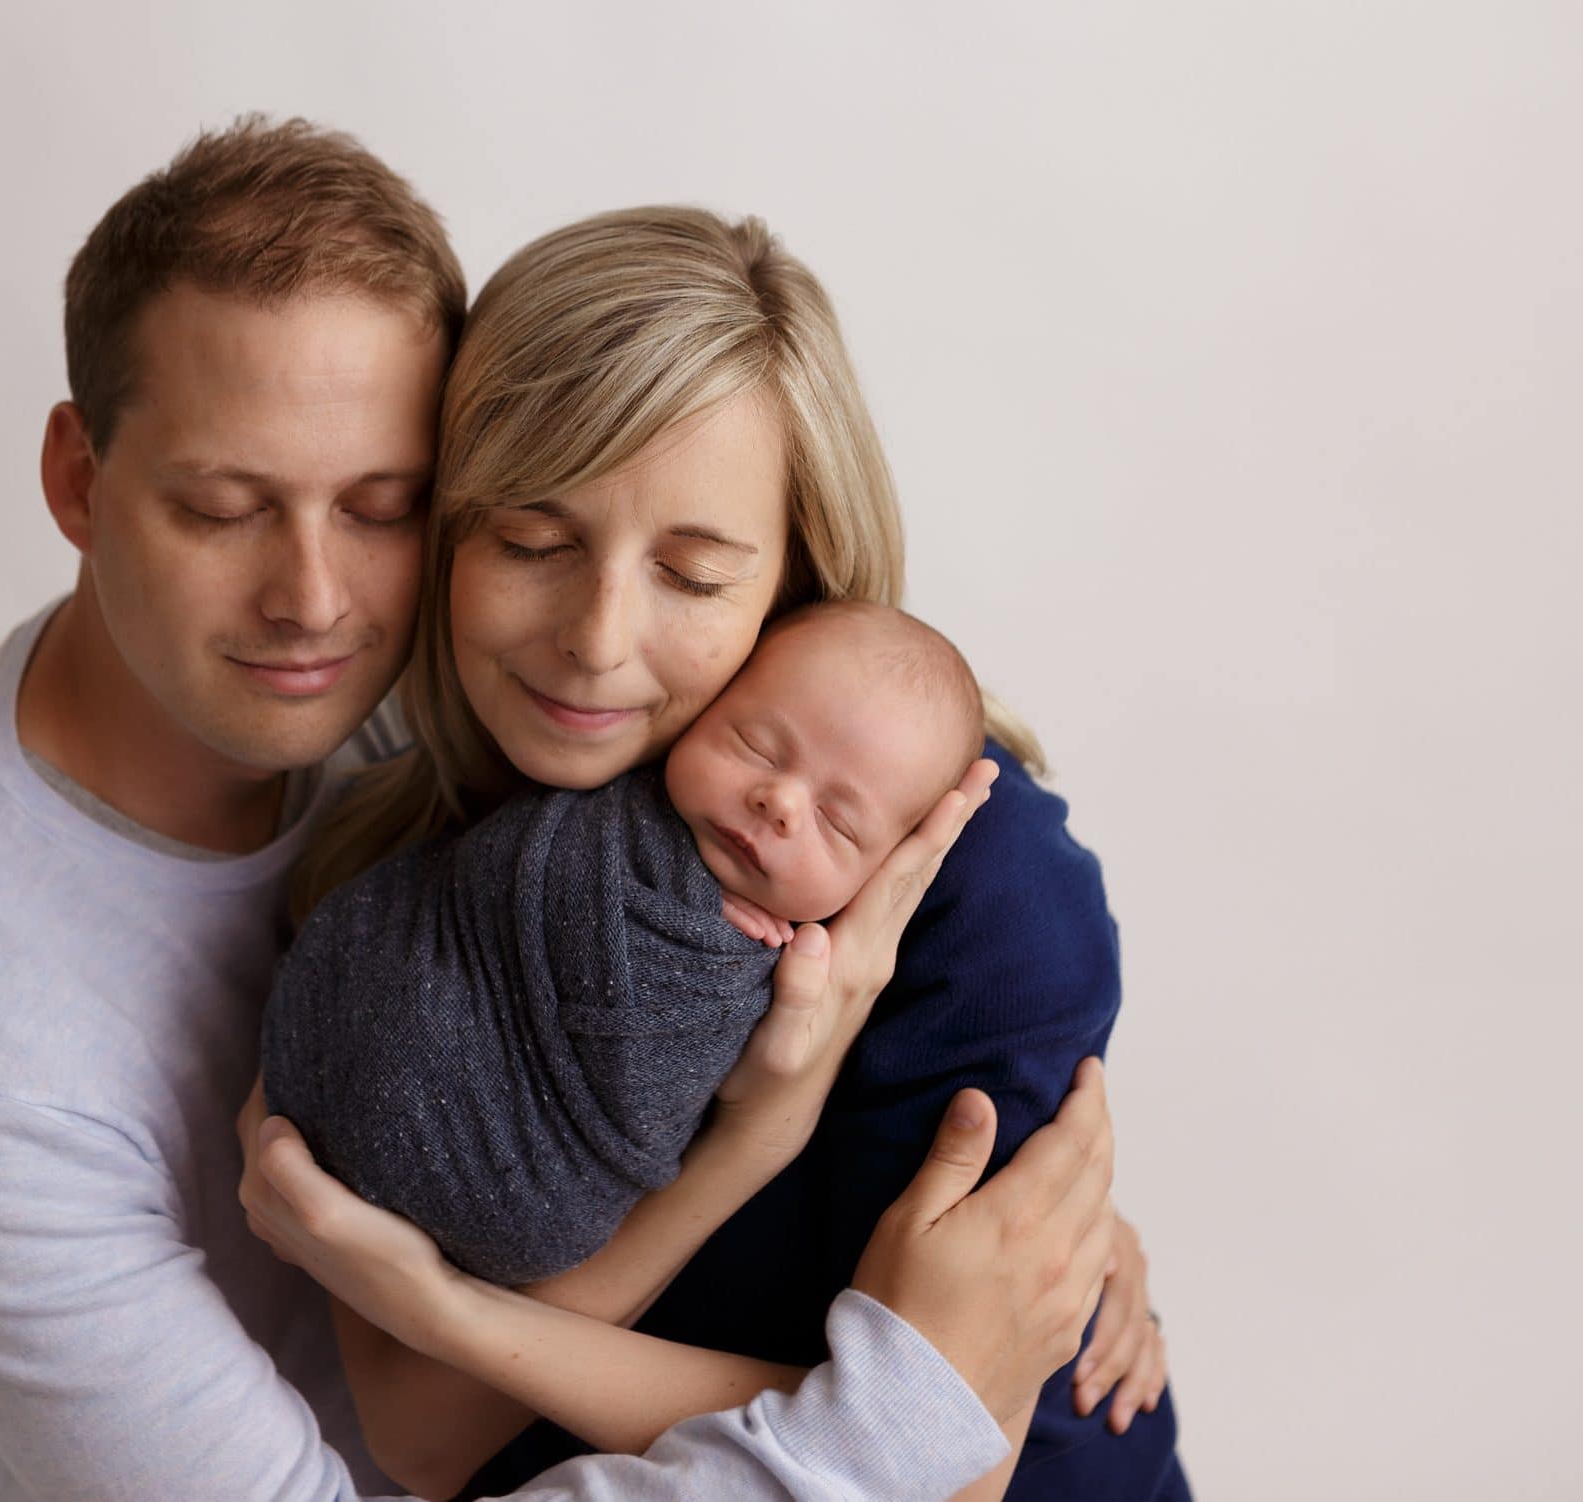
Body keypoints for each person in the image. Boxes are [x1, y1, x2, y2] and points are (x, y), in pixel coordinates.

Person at [0, 117, 1122, 1502]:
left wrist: (1041, 1222)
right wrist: (848, 1295)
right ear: (79, 480)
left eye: (380, 505)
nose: (314, 600)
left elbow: (984, 1430)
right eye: (225, 507)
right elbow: (432, 1433)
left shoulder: (604, 754)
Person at [260, 205, 1185, 1501]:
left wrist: (454, 1313)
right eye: (530, 540)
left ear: (796, 579)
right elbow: (421, 1434)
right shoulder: (403, 844)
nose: (596, 638)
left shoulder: (974, 884)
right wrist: (747, 1140)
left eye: (692, 575)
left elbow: (955, 1455)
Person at [260, 603, 985, 1286]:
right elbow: (505, 873)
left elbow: (654, 1081)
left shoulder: (791, 971)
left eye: (837, 823)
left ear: (880, 879)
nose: (782, 803)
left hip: (518, 1189)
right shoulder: (603, 778)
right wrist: (683, 887)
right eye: (756, 746)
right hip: (349, 1006)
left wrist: (723, 956)